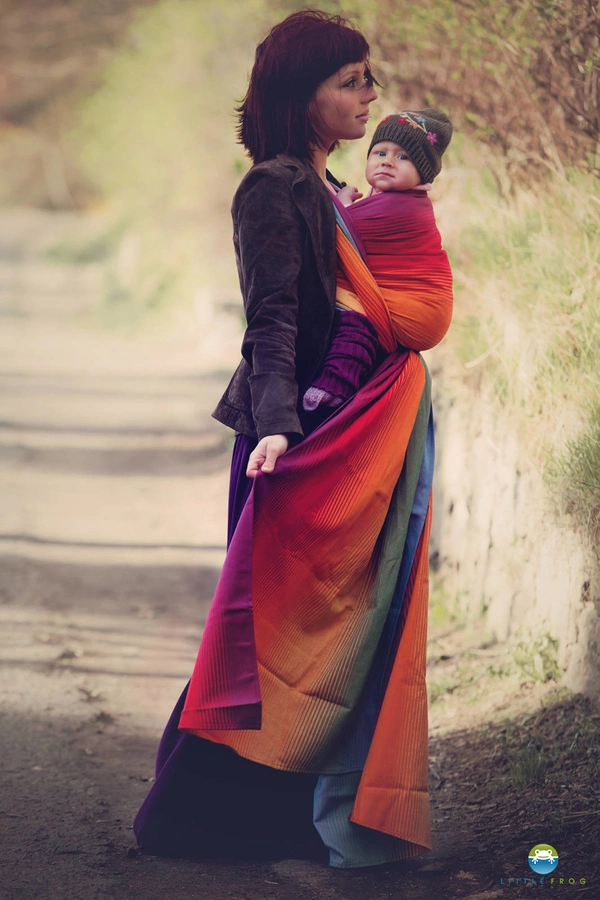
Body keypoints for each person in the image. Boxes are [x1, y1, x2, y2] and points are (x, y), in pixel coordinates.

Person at [134, 10, 439, 869]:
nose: (369, 95)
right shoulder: (274, 187)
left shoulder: (336, 188)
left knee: (323, 629)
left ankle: (277, 816)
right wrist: (275, 427)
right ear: (303, 94)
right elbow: (269, 318)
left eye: (367, 78)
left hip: (336, 432)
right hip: (293, 438)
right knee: (267, 629)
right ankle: (194, 818)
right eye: (350, 81)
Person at [305, 109, 454, 412]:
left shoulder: (404, 207)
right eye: (380, 152)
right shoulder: (391, 199)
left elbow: (339, 230)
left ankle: (337, 383)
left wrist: (341, 203)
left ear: (423, 173)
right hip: (413, 305)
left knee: (347, 304)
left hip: (419, 309)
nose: (387, 161)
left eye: (403, 157)